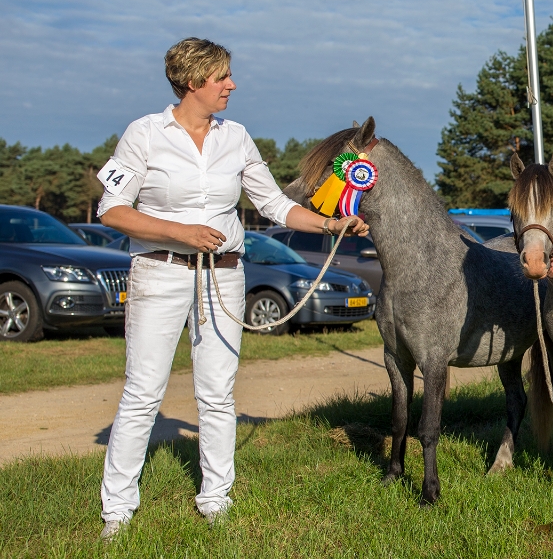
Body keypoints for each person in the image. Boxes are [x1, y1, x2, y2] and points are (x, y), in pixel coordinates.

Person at [95, 38, 368, 541]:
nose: (232, 85)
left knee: (218, 393)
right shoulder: (145, 134)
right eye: (222, 77)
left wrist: (332, 225)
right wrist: (182, 232)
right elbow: (112, 211)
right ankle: (117, 510)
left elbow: (273, 204)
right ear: (194, 81)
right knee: (142, 392)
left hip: (224, 274)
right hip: (159, 273)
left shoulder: (236, 137)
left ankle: (215, 498)